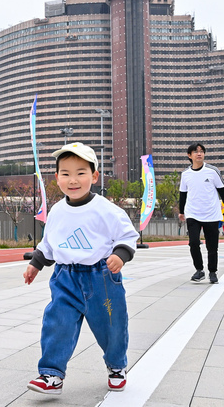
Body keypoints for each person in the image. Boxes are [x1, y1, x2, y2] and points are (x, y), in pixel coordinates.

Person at [24, 142, 139, 395]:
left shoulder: (106, 209)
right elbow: (49, 243)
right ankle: (51, 374)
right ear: (57, 178)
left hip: (102, 278)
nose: (72, 180)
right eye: (65, 174)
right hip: (66, 278)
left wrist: (120, 255)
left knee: (112, 325)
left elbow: (127, 236)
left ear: (94, 176)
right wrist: (36, 263)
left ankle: (116, 365)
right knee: (57, 322)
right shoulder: (57, 211)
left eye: (80, 173)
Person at [178, 143, 224, 284]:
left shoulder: (212, 171)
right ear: (190, 155)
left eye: (201, 151)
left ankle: (212, 272)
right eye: (195, 152)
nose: (199, 154)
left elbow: (222, 190)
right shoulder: (185, 174)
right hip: (192, 213)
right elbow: (182, 194)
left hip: (211, 214)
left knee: (212, 245)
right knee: (193, 242)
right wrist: (181, 211)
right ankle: (199, 270)